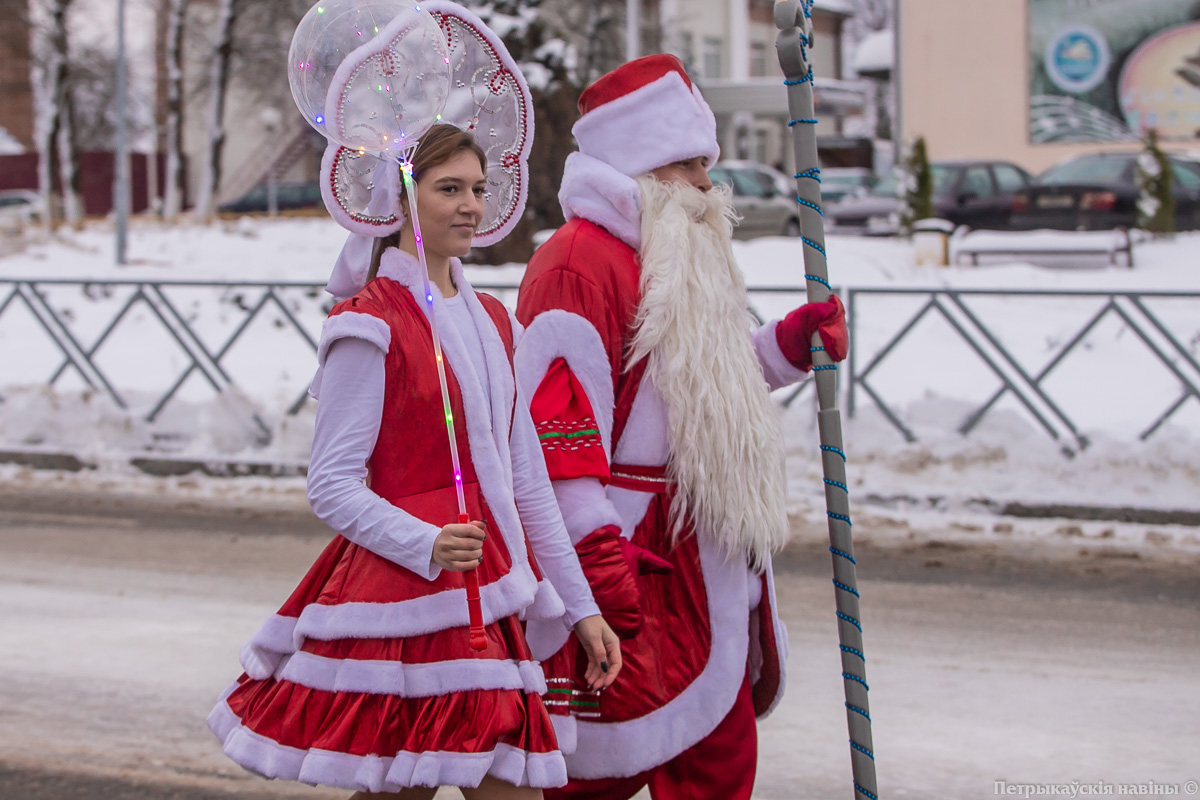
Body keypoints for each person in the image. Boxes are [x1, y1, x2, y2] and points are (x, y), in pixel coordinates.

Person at [207, 124, 622, 800]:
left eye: (478, 190)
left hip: (491, 597)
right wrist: (423, 541)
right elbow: (331, 484)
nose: (470, 206)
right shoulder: (367, 322)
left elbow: (527, 482)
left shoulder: (493, 320)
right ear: (401, 202)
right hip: (408, 603)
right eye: (448, 188)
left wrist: (581, 608)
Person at [513, 55, 848, 800]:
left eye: (707, 164)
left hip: (703, 553)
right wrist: (598, 568)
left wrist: (786, 347)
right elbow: (555, 436)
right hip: (628, 558)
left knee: (717, 765)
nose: (707, 185)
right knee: (595, 771)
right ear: (640, 166)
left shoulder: (672, 252)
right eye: (690, 165)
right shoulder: (577, 263)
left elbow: (698, 385)